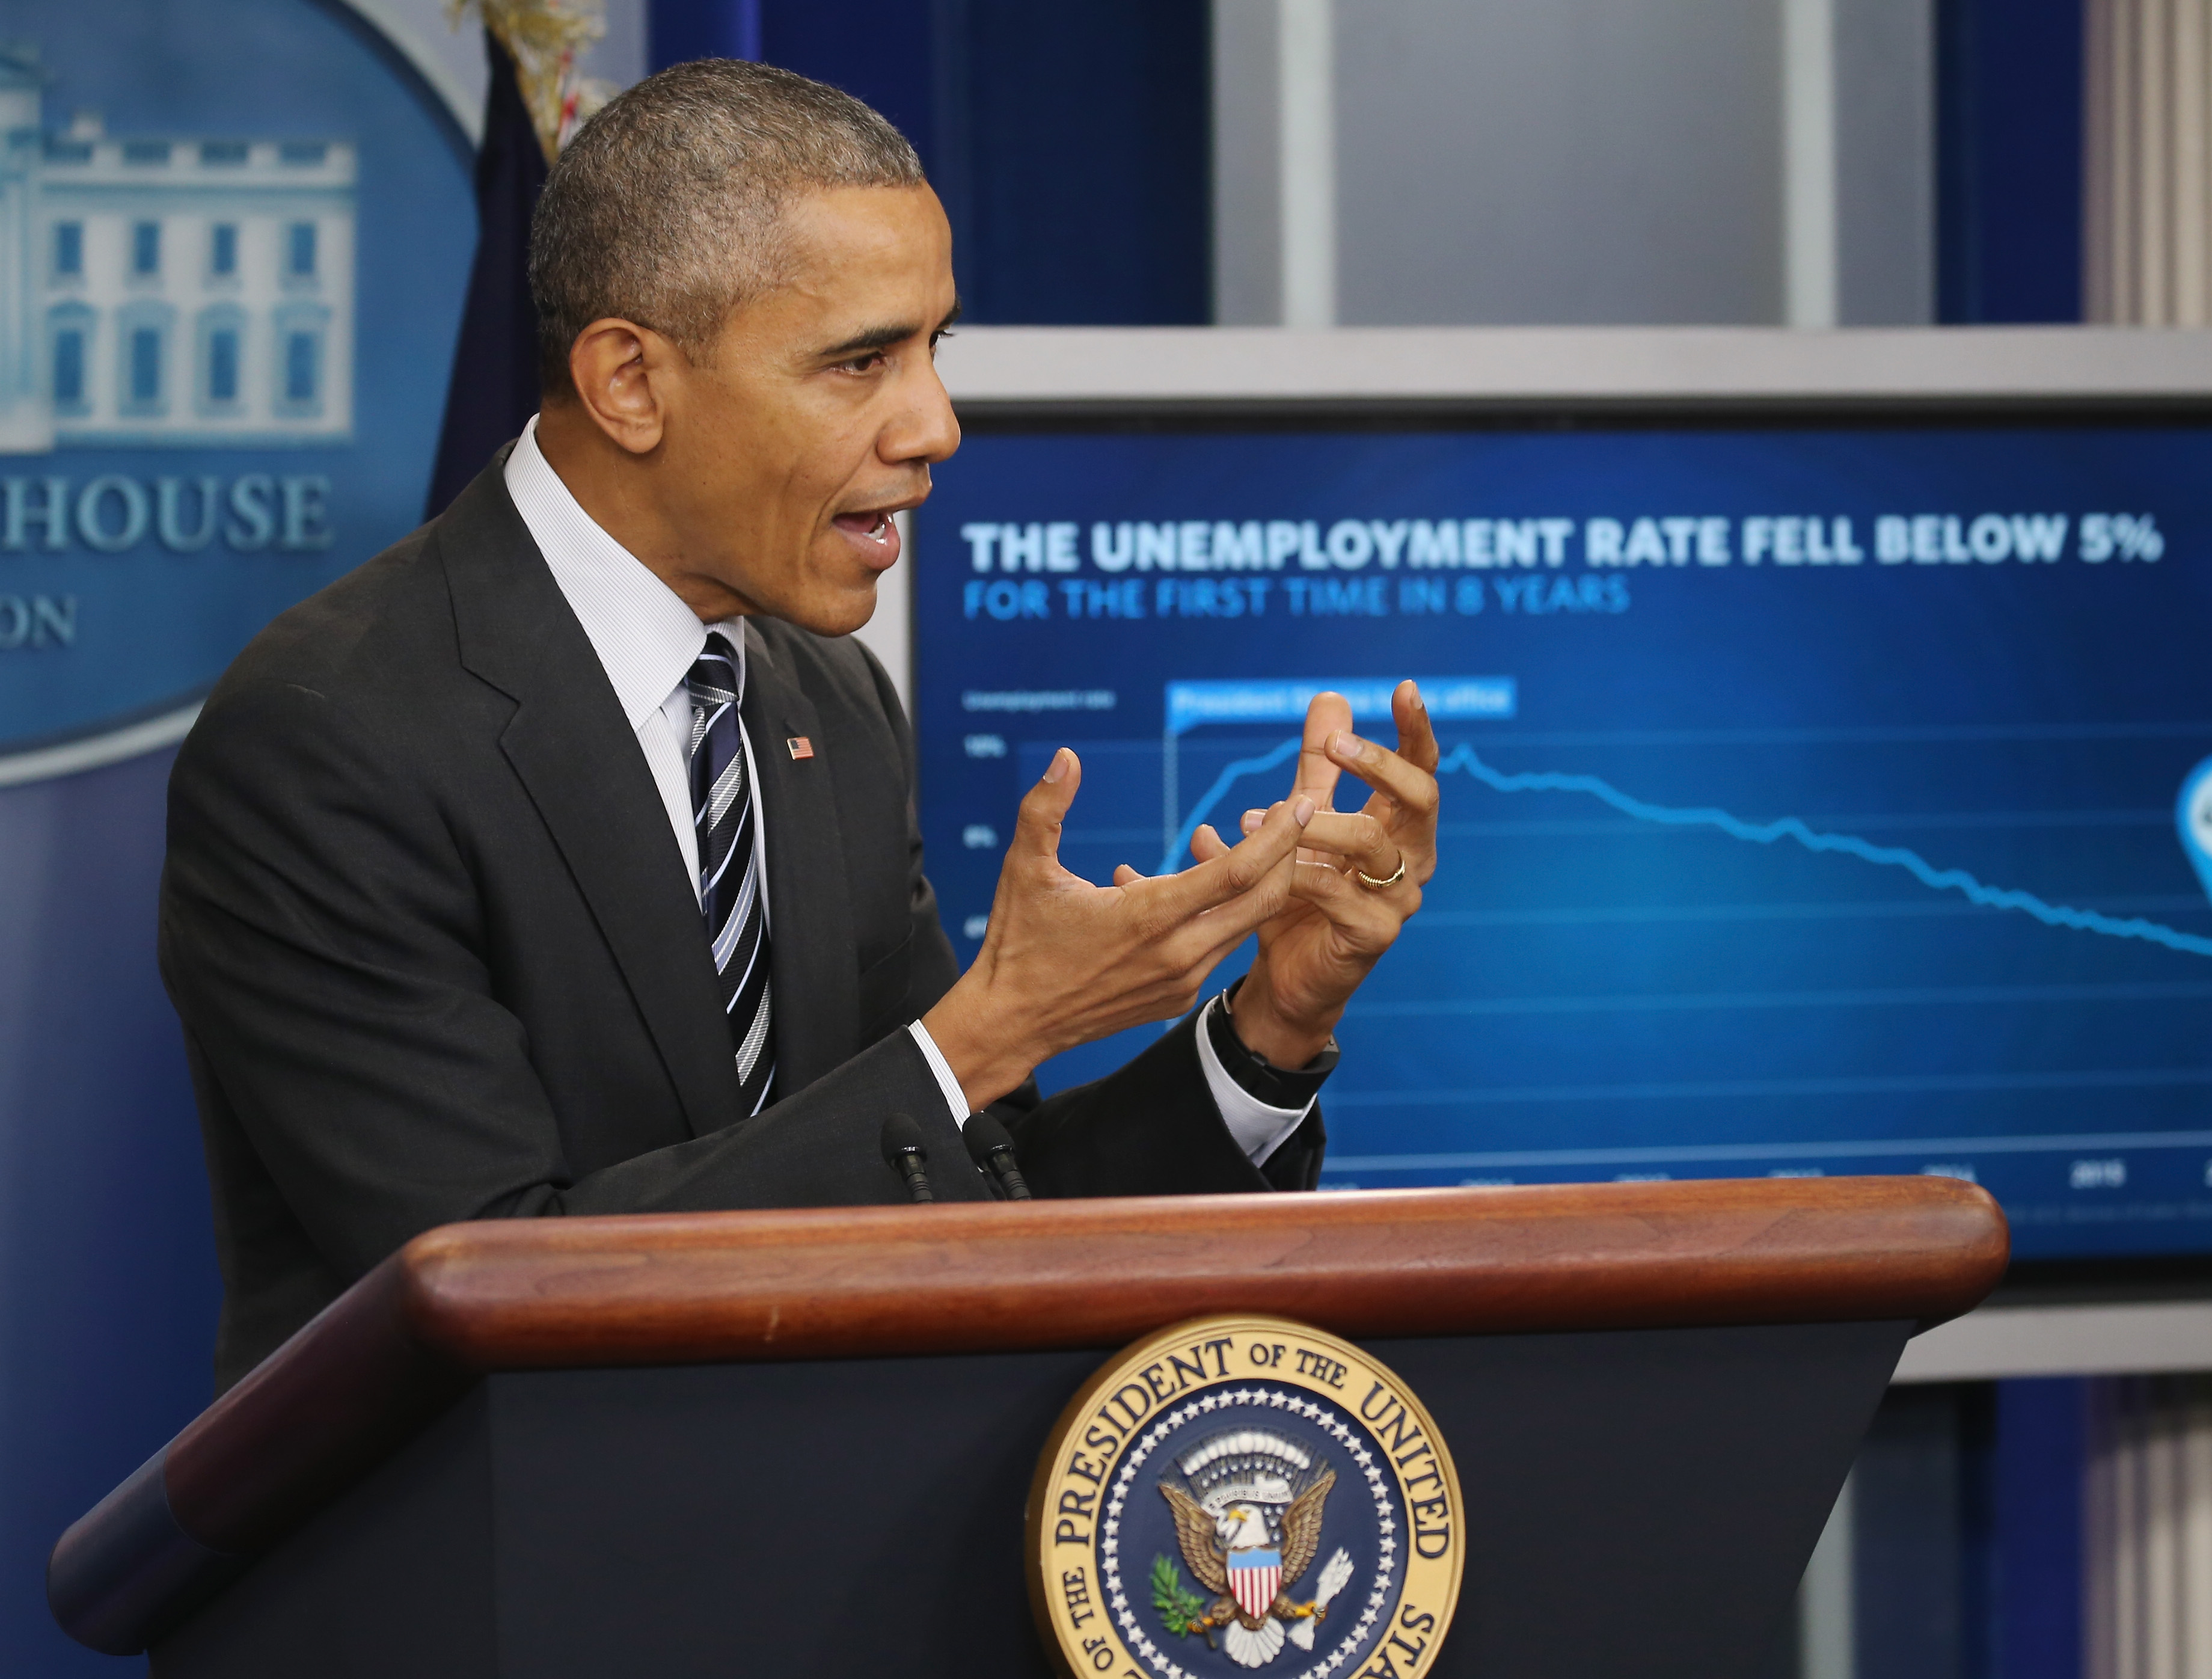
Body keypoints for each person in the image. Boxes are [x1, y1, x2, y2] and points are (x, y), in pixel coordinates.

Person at [160, 60, 1442, 1392]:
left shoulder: (825, 701)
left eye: (935, 348)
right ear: (629, 385)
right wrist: (990, 1030)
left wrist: (1268, 1031)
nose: (936, 424)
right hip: (492, 1573)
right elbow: (489, 1287)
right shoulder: (330, 739)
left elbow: (980, 1198)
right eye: (861, 361)